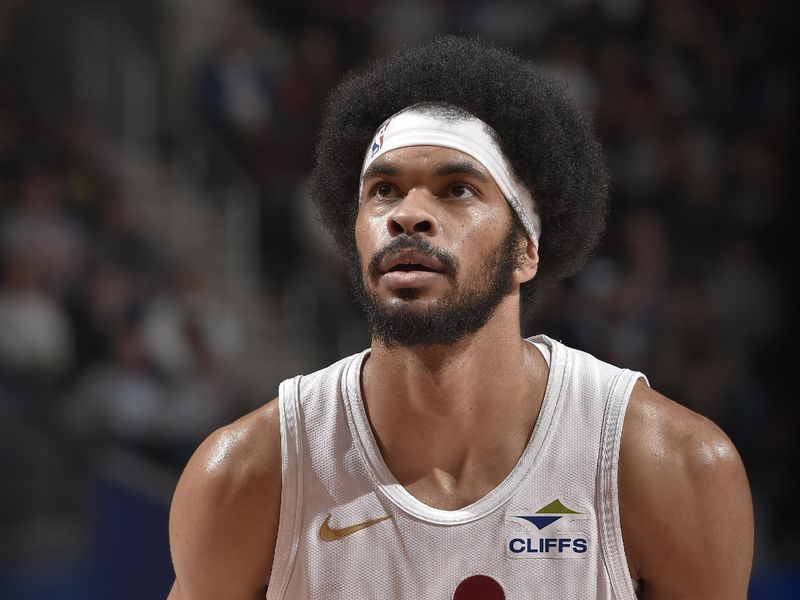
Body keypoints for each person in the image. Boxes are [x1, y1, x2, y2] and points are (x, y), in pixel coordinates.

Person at [167, 37, 753, 599]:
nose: (409, 215)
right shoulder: (246, 476)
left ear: (526, 250)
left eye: (457, 189)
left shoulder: (668, 469)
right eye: (384, 190)